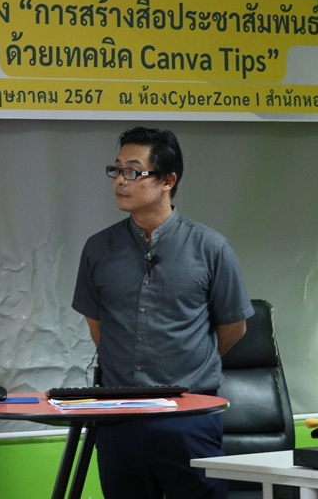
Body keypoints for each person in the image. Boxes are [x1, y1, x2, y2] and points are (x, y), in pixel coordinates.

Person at [72, 126, 253, 499]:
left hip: (189, 416)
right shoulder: (98, 249)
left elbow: (234, 327)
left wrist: (187, 366)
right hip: (119, 419)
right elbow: (98, 327)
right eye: (116, 169)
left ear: (168, 180)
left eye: (133, 171)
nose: (120, 181)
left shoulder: (211, 248)